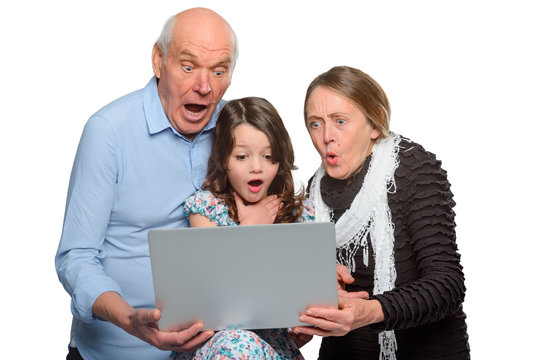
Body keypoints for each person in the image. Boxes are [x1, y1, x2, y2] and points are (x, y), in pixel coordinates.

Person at [55, 8, 237, 360]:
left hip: (211, 351)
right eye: (188, 66)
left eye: (219, 71)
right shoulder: (108, 131)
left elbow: (265, 225)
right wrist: (128, 319)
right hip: (118, 351)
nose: (204, 86)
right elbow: (75, 258)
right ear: (158, 60)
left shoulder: (237, 128)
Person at [292, 66, 470, 359]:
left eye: (340, 121)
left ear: (374, 124)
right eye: (315, 123)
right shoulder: (314, 189)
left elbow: (447, 285)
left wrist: (370, 311)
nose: (326, 137)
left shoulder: (413, 169)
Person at [172, 97, 315, 360]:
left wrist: (305, 324)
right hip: (216, 346)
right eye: (242, 156)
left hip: (273, 349)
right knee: (236, 341)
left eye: (268, 156)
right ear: (223, 158)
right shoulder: (206, 209)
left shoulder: (299, 214)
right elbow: (211, 299)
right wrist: (250, 228)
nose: (256, 167)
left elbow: (303, 298)